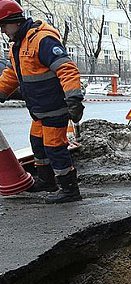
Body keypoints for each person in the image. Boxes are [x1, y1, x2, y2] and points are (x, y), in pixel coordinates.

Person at [0, 0, 84, 203]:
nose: (3, 31)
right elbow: (13, 73)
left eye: (3, 26)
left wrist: (73, 98)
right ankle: (47, 181)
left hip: (54, 107)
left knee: (55, 148)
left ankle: (70, 190)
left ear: (15, 21)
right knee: (37, 144)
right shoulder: (19, 45)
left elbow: (66, 68)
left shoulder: (42, 39)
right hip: (39, 110)